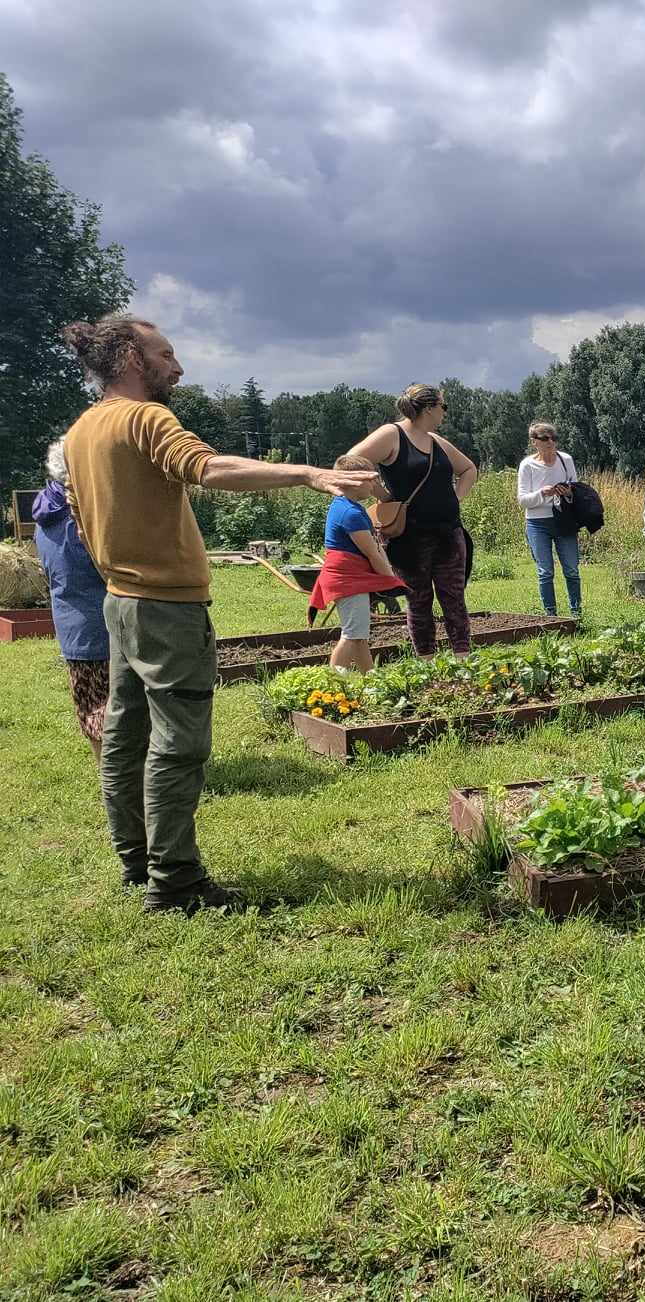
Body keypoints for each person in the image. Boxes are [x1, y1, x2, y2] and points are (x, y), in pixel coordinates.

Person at [59, 315, 375, 912]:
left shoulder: (81, 431)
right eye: (166, 354)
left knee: (125, 734)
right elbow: (208, 468)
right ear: (130, 356)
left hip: (119, 604)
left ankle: (136, 859)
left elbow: (79, 518)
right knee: (178, 744)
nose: (178, 367)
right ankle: (175, 881)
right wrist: (308, 472)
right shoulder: (146, 417)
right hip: (166, 610)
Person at [346, 384, 478, 658]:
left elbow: (468, 469)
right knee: (418, 601)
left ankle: (464, 662)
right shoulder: (392, 435)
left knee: (454, 599)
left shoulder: (436, 441)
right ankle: (426, 663)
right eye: (444, 406)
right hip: (410, 537)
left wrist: (454, 499)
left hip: (448, 533)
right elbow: (350, 462)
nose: (445, 413)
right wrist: (383, 495)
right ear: (429, 408)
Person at [32, 439, 109, 761]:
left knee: (91, 706)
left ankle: (111, 775)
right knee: (117, 710)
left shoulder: (46, 512)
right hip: (103, 626)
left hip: (72, 627)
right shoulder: (78, 518)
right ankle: (127, 781)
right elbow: (109, 571)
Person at [306, 454, 407, 671]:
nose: (374, 486)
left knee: (360, 635)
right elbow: (372, 553)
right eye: (371, 480)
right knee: (352, 635)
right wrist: (391, 580)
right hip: (348, 579)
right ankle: (334, 684)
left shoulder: (347, 506)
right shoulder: (351, 513)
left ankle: (370, 680)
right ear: (354, 481)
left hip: (348, 579)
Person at [516, 421, 583, 618]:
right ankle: (550, 616)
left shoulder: (566, 459)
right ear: (534, 441)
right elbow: (522, 500)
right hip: (537, 523)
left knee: (571, 569)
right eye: (545, 438)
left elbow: (576, 489)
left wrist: (568, 491)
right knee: (545, 571)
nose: (551, 442)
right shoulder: (527, 465)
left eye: (554, 438)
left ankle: (576, 614)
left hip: (564, 519)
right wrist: (542, 494)